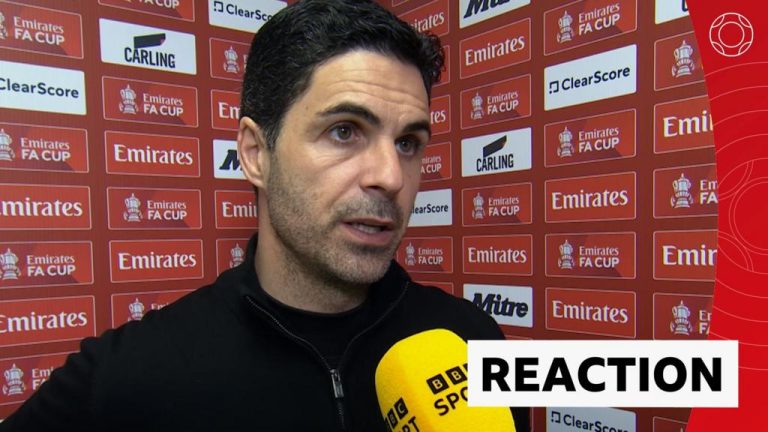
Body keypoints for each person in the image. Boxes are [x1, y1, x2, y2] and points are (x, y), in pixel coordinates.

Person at [0, 0, 528, 430]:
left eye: (408, 142)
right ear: (255, 154)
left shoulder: (472, 339)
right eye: (344, 131)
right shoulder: (131, 376)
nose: (391, 176)